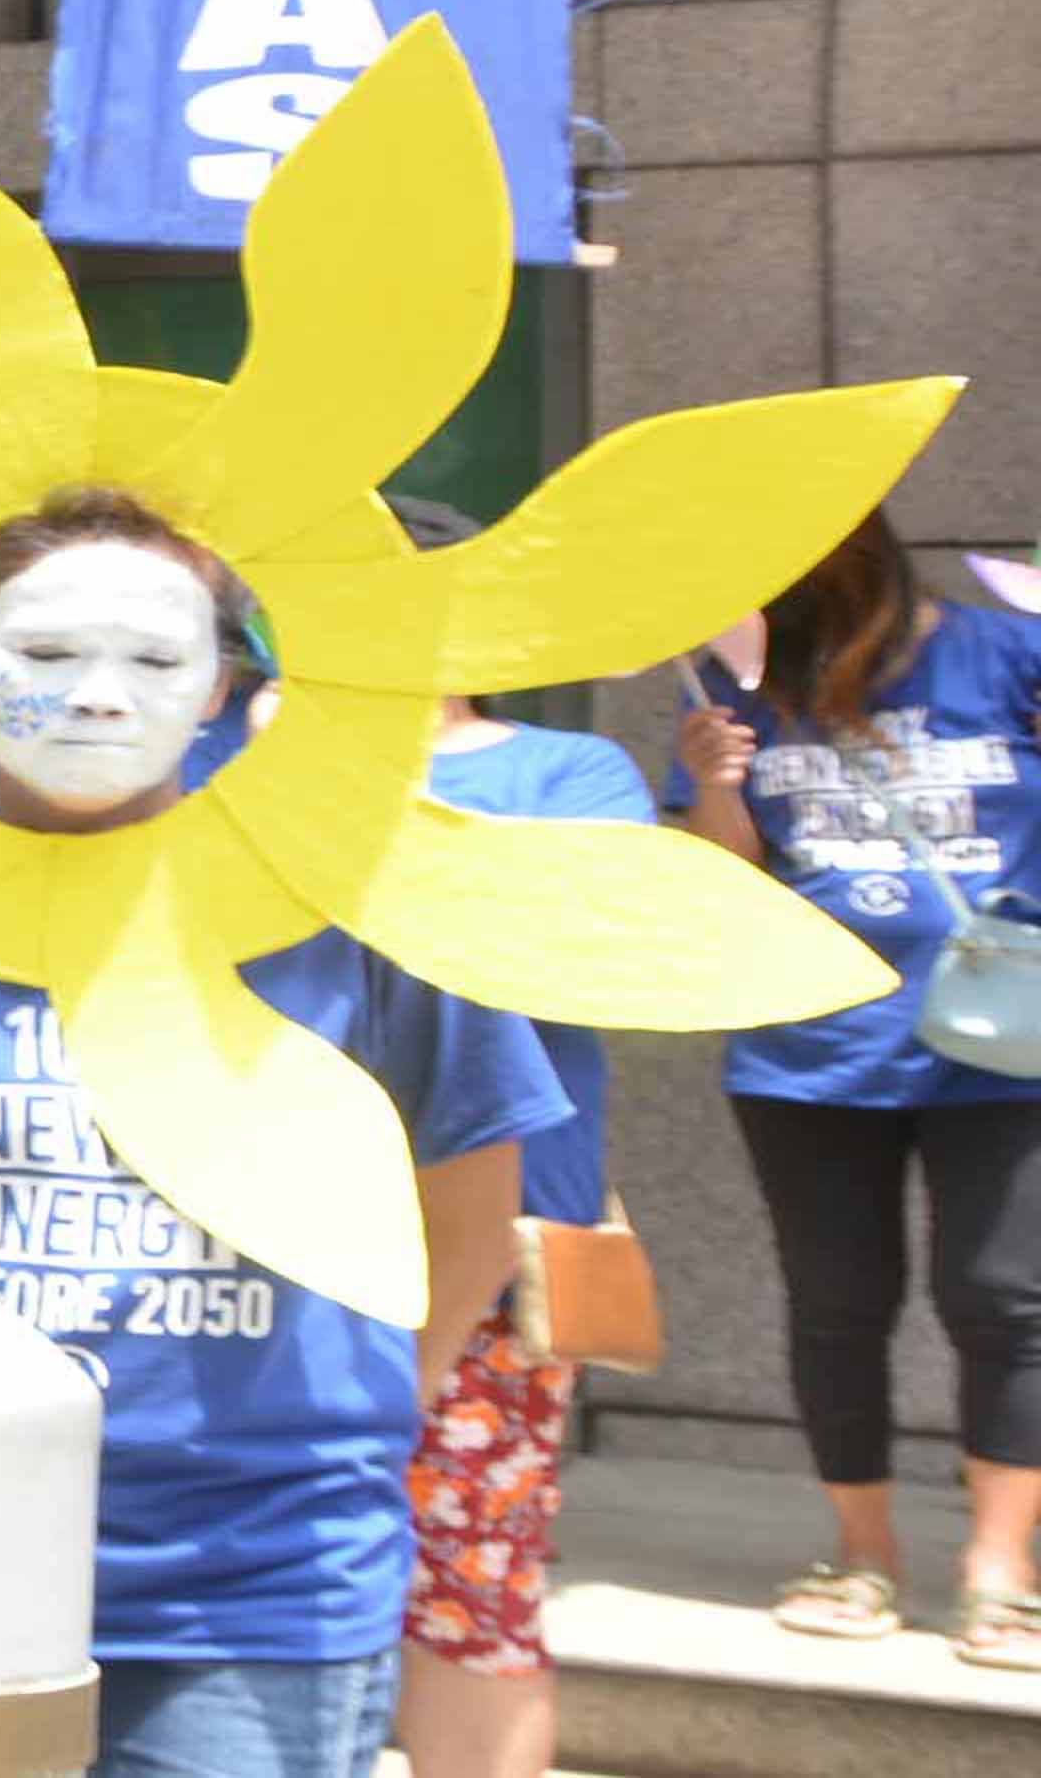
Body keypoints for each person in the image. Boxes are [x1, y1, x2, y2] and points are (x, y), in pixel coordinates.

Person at [0, 489, 562, 1778]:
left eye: (154, 658)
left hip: (254, 1578)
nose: (98, 699)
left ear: (216, 687)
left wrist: (360, 1417)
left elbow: (466, 1204)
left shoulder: (353, 911)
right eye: (42, 655)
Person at [669, 506, 1041, 1666]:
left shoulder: (1007, 653)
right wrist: (713, 783)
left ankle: (999, 1568)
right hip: (810, 1050)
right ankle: (863, 1552)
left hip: (1001, 1036)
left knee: (1007, 1302)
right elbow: (725, 879)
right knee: (837, 1305)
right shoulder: (737, 683)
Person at [363, 499, 659, 1778]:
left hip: (496, 1236)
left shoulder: (570, 774)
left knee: (469, 1591)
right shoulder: (205, 763)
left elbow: (609, 947)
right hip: (249, 1224)